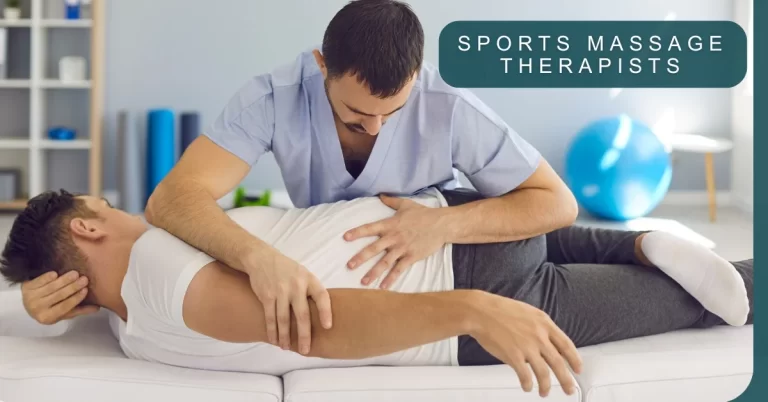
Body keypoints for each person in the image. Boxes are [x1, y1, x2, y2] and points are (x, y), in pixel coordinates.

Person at [16, 0, 582, 352]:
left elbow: (556, 204)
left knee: (597, 247)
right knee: (623, 256)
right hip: (405, 268)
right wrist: (259, 258)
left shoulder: (449, 106)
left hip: (455, 234)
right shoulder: (273, 97)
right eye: (358, 115)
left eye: (395, 111)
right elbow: (174, 198)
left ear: (416, 78)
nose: (378, 128)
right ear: (321, 67)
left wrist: (444, 228)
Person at [1, 190, 753, 398]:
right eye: (104, 204)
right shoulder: (160, 276)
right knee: (681, 287)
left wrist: (40, 309)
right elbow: (310, 327)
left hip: (457, 256)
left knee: (691, 295)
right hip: (459, 252)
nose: (121, 207)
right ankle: (641, 240)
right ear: (88, 228)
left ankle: (641, 245)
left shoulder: (136, 315)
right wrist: (473, 309)